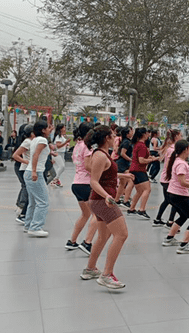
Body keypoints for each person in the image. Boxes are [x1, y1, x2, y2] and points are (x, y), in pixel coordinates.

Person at [79, 125, 134, 289]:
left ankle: (90, 269)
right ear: (106, 138)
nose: (115, 138)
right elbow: (94, 181)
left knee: (103, 237)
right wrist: (107, 196)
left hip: (100, 201)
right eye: (112, 135)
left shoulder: (103, 155)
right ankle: (107, 274)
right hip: (102, 201)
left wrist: (123, 175)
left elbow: (105, 174)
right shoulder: (101, 156)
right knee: (122, 234)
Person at [161, 139, 189, 253]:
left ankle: (169, 238)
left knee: (184, 215)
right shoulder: (181, 164)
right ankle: (184, 245)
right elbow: (182, 182)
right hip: (179, 195)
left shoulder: (177, 161)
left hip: (173, 194)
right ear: (186, 149)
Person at [66, 122, 97, 255]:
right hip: (86, 183)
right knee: (97, 214)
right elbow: (89, 166)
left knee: (85, 214)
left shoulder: (78, 145)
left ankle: (72, 241)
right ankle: (87, 243)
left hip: (77, 183)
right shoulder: (87, 147)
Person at [24, 120, 54, 237]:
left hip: (29, 172)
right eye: (47, 128)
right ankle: (36, 227)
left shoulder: (35, 139)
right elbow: (36, 155)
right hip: (35, 172)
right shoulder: (42, 140)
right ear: (43, 130)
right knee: (43, 202)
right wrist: (35, 171)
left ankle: (29, 225)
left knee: (33, 202)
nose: (49, 130)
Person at [127, 127, 157, 219]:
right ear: (144, 134)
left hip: (134, 169)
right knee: (147, 189)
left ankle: (132, 208)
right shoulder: (142, 146)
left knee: (139, 191)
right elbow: (141, 160)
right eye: (147, 133)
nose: (148, 135)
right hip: (139, 170)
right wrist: (151, 159)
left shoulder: (137, 144)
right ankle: (142, 209)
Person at [153, 129, 181, 227]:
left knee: (168, 200)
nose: (181, 137)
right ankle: (170, 222)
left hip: (166, 178)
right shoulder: (173, 149)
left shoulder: (170, 148)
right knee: (174, 201)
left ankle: (158, 219)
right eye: (180, 136)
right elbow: (171, 164)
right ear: (176, 137)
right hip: (169, 179)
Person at [11, 124, 34, 224]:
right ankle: (22, 210)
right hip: (24, 169)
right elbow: (15, 155)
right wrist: (26, 162)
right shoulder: (27, 142)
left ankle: (22, 209)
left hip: (26, 168)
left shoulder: (31, 141)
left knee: (26, 188)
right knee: (26, 188)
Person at [115, 127, 134, 208]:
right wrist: (130, 160)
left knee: (123, 183)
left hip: (123, 164)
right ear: (127, 134)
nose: (132, 132)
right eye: (131, 131)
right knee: (130, 181)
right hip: (122, 164)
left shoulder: (126, 141)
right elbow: (123, 153)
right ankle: (126, 200)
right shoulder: (126, 142)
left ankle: (117, 199)